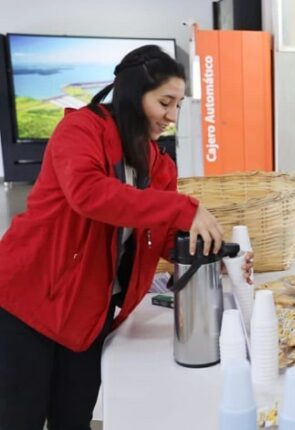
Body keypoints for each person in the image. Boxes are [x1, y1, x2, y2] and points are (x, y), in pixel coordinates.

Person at [0, 45, 252, 429]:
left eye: (178, 104)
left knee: (74, 417)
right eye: (165, 102)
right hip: (28, 299)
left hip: (88, 311)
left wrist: (212, 256)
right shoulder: (80, 129)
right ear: (135, 94)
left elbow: (163, 238)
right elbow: (89, 194)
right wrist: (184, 208)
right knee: (19, 417)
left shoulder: (158, 163)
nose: (172, 115)